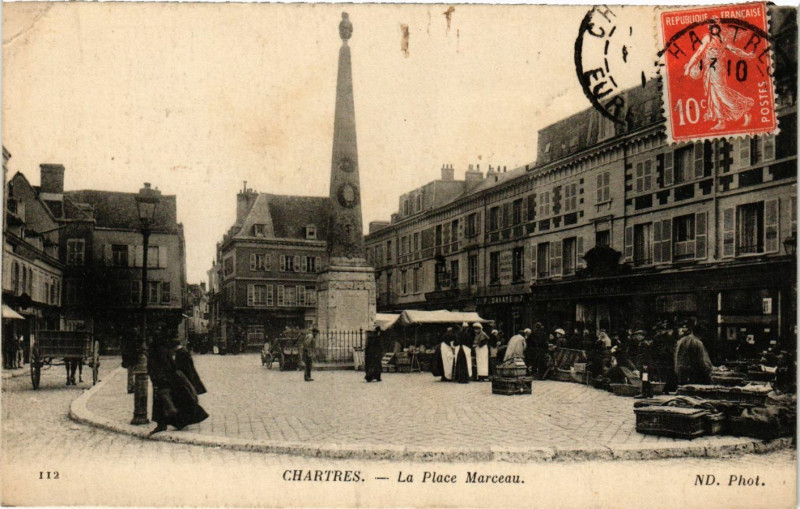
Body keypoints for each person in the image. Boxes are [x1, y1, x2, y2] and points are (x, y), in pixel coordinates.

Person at [148, 335, 209, 436]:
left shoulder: (159, 349)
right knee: (171, 399)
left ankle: (166, 423)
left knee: (164, 400)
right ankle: (175, 422)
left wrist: (157, 376)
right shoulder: (163, 348)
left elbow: (163, 365)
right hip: (166, 377)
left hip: (162, 378)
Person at [674, 321, 713, 386]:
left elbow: (676, 356)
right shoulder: (698, 343)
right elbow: (703, 361)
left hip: (681, 372)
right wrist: (710, 371)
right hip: (694, 374)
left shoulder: (681, 340)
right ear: (701, 333)